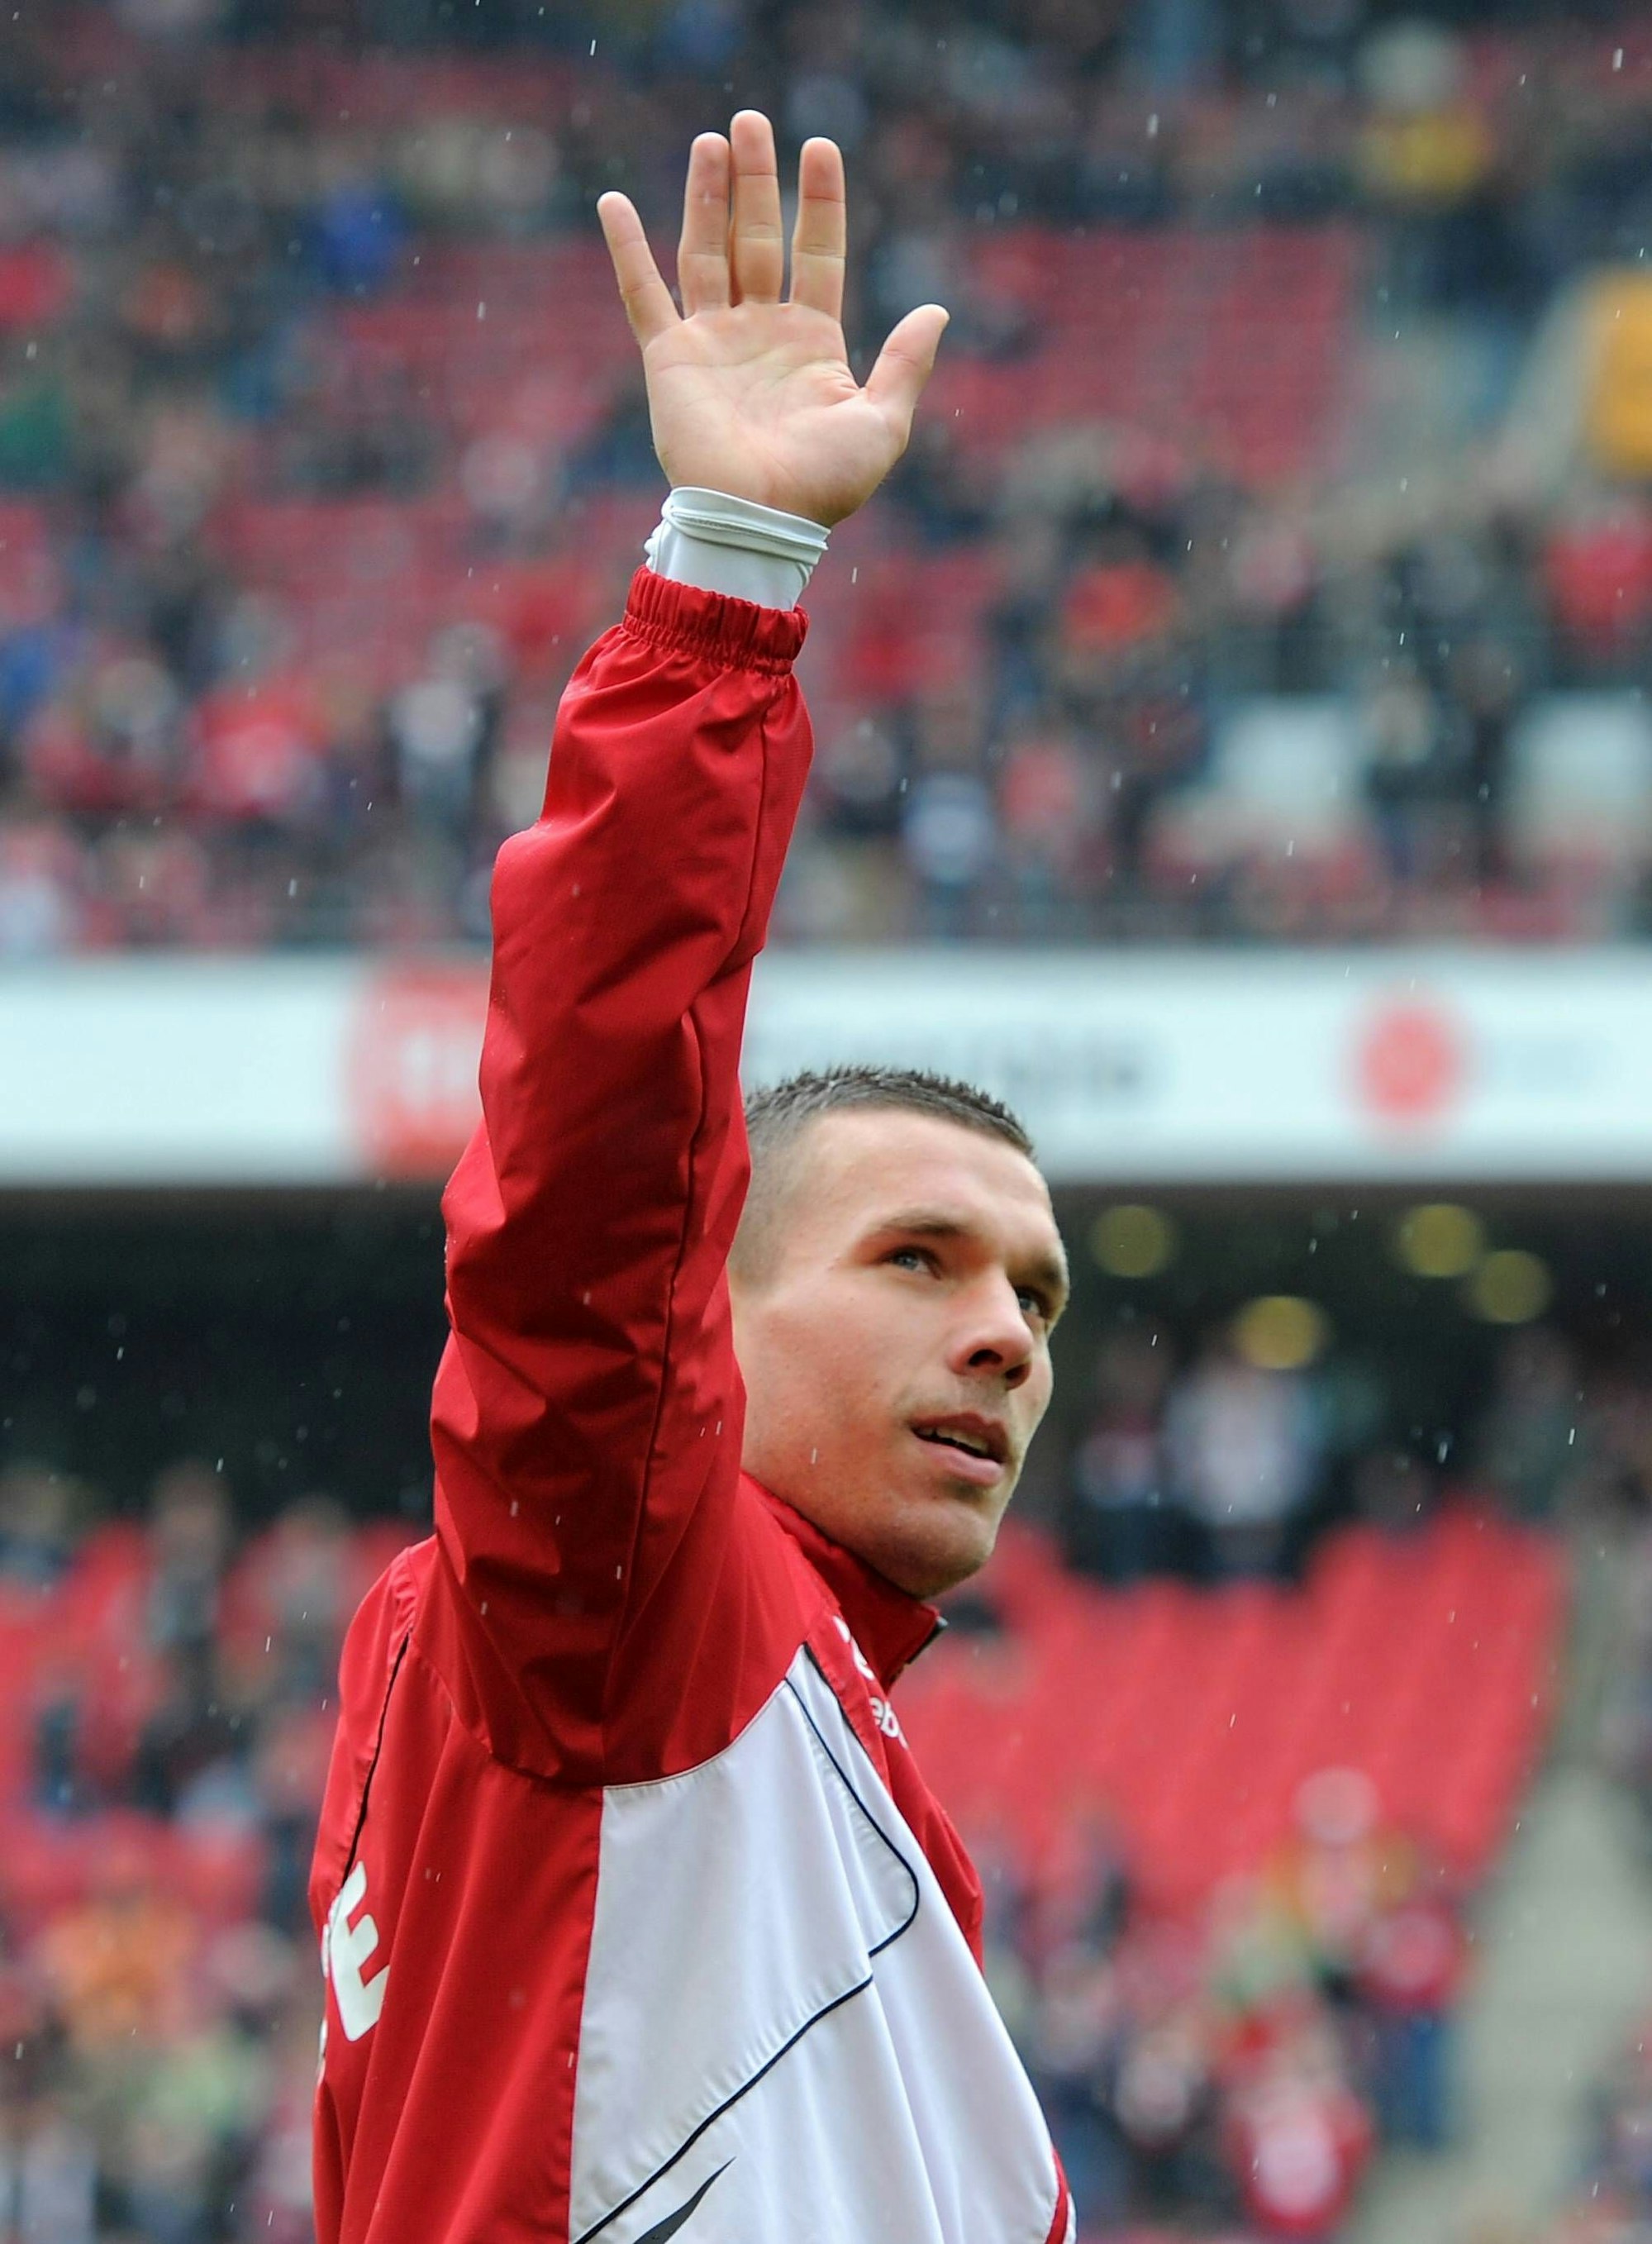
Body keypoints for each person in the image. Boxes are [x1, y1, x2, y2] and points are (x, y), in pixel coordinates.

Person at [309, 113, 1077, 2244]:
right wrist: (726, 580)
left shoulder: (777, 1750)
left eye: (1036, 1294)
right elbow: (591, 1158)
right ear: (702, 1334)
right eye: (917, 1255)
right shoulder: (635, 1618)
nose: (1006, 1334)